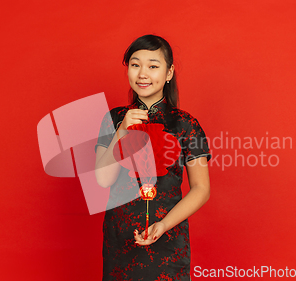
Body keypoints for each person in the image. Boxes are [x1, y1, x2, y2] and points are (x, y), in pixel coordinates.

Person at [94, 34, 211, 281]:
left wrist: (164, 226)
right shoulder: (114, 119)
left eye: (153, 66)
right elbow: (103, 179)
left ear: (169, 73)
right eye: (135, 65)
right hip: (120, 238)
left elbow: (201, 188)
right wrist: (121, 131)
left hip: (168, 238)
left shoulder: (186, 124)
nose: (142, 73)